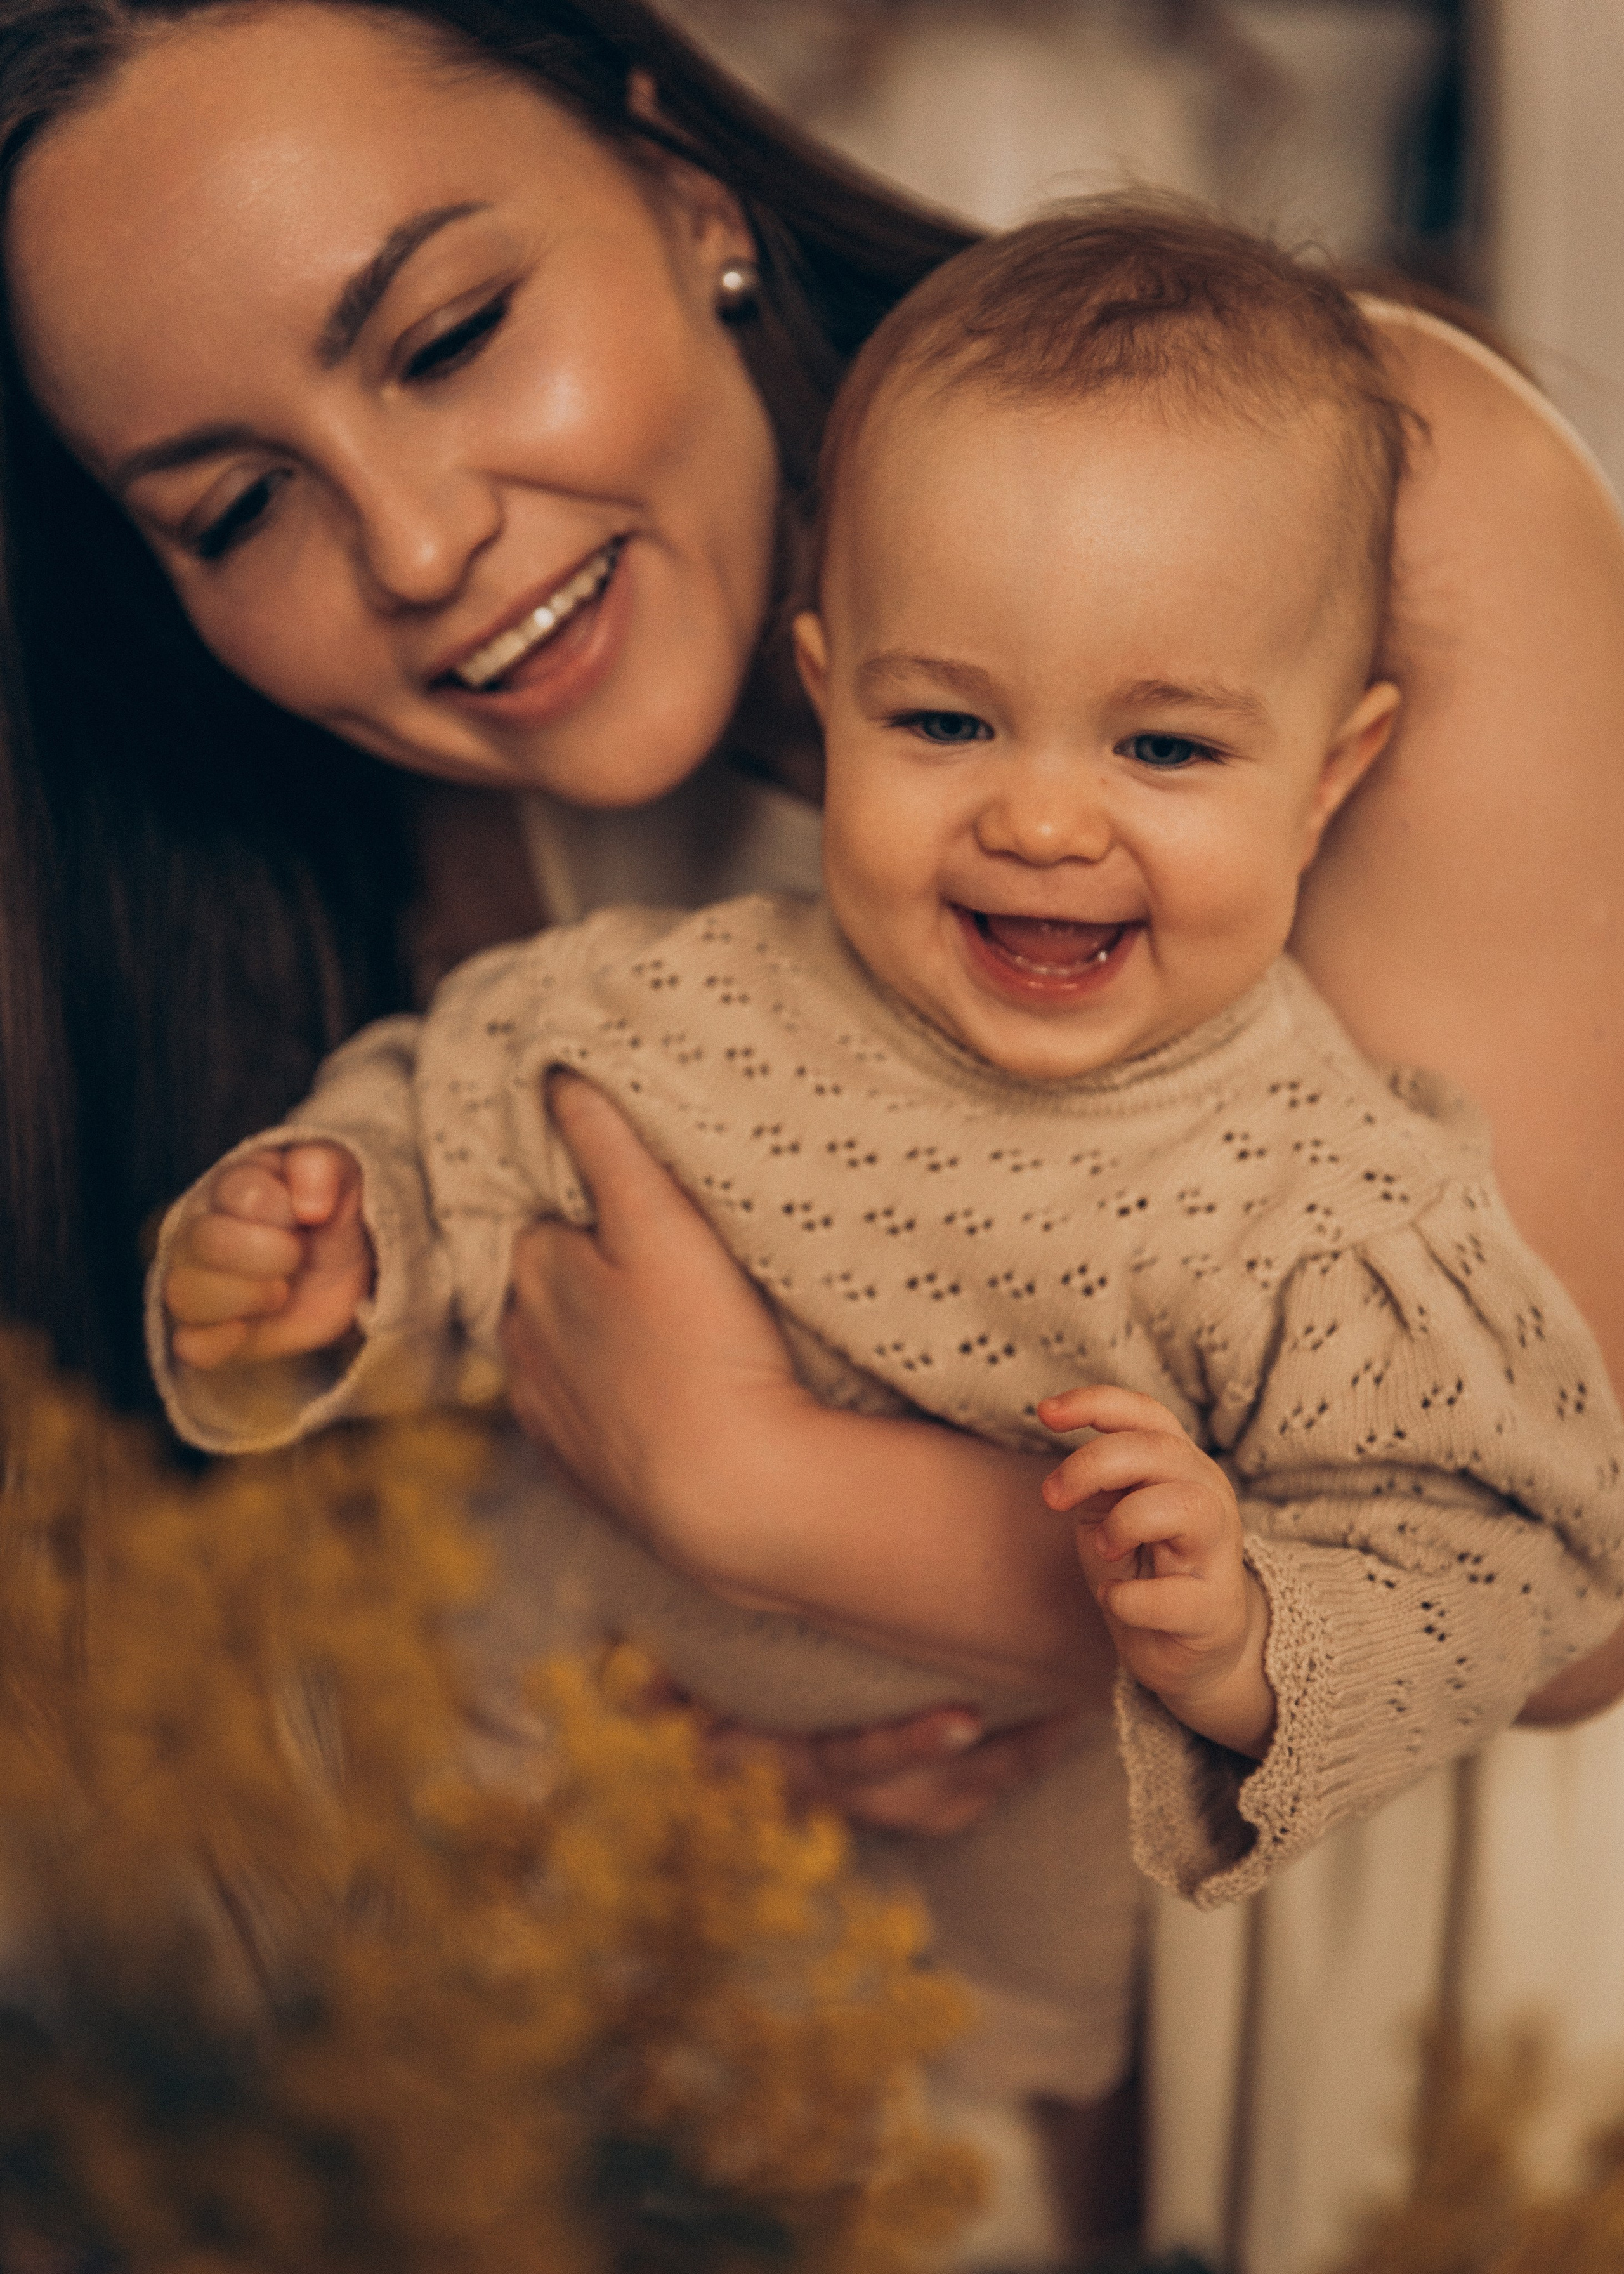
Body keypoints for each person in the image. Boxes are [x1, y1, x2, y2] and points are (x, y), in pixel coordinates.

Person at [0, 0, 1621, 2258]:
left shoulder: (1359, 487)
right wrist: (666, 1740)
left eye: (453, 334)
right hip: (948, 2052)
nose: (414, 542)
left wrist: (760, 1498)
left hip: (1439, 1981)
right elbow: (429, 1417)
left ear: (682, 186)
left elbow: (1559, 1604)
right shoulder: (437, 835)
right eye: (237, 504)